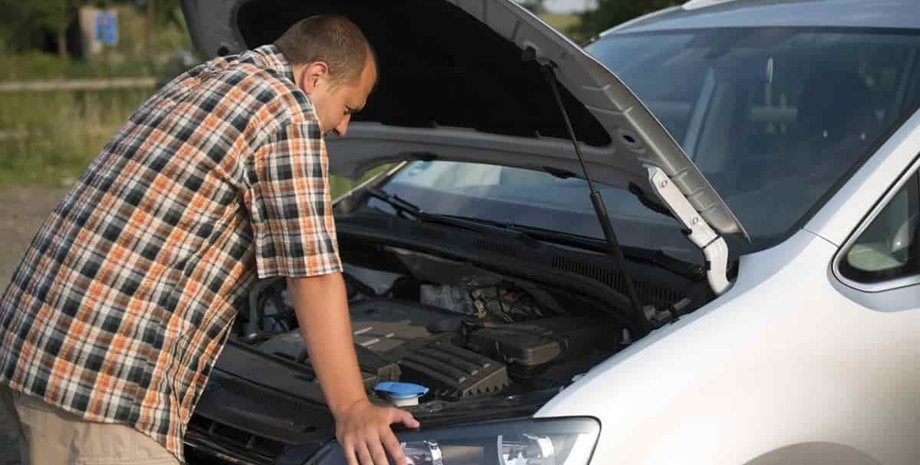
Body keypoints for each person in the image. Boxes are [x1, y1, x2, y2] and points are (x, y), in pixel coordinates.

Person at [0, 15, 417, 465]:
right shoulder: (284, 110)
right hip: (103, 391)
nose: (342, 129)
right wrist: (354, 409)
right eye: (349, 109)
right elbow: (311, 273)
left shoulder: (210, 76)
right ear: (315, 76)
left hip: (31, 353)